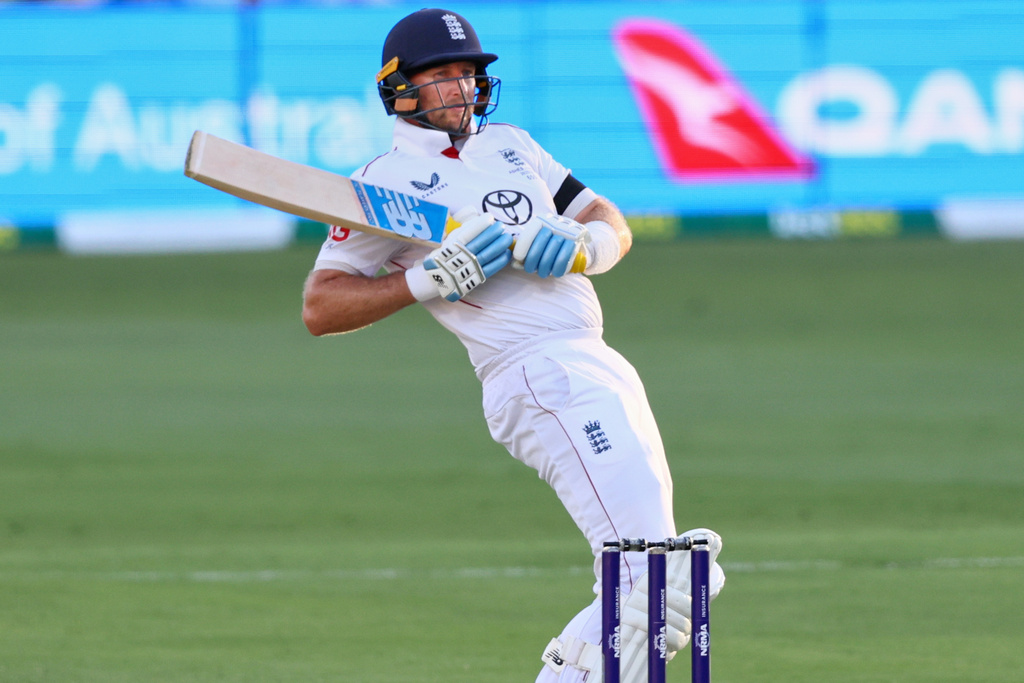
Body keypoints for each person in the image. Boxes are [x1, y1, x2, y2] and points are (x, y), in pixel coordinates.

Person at [301, 8, 725, 682]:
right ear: (400, 88)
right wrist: (425, 278)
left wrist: (589, 246)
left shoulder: (514, 146)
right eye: (442, 75)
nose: (462, 87)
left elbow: (606, 216)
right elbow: (321, 306)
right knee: (645, 575)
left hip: (595, 356)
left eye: (469, 73)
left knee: (665, 578)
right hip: (533, 372)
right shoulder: (382, 186)